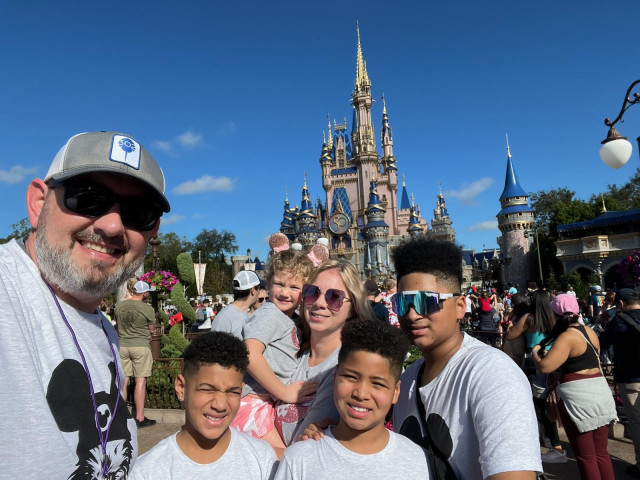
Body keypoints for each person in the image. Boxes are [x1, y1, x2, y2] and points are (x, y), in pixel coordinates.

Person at [0, 131, 170, 478]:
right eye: (88, 197)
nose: (112, 225)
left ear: (153, 231)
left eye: (138, 212)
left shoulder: (103, 328)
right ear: (38, 203)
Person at [390, 237, 541, 479]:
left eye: (427, 301)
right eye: (403, 302)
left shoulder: (491, 374)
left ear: (460, 306)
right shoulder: (407, 379)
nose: (412, 314)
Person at [275, 319, 429, 480]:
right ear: (334, 378)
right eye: (350, 377)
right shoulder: (298, 459)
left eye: (377, 384)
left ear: (396, 391)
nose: (361, 394)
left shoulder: (418, 462)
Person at [131, 332, 278, 479]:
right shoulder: (145, 472)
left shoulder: (262, 458)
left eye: (233, 392)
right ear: (181, 388)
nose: (220, 405)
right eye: (207, 389)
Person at [275, 259, 374, 446]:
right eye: (312, 292)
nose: (319, 303)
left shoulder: (341, 369)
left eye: (334, 297)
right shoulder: (289, 351)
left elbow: (300, 451)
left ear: (352, 308)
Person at [231, 250, 316, 451]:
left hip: (263, 405)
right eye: (279, 284)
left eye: (294, 287)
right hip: (251, 405)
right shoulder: (270, 314)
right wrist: (285, 392)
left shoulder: (289, 318)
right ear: (268, 284)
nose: (285, 293)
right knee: (282, 460)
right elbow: (250, 354)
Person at [532, 293, 617, 480]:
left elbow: (545, 366)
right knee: (601, 453)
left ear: (556, 315)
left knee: (586, 457)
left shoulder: (567, 337)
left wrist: (536, 353)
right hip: (600, 394)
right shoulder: (589, 332)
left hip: (579, 399)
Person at [507, 290, 566, 463]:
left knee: (536, 405)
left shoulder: (528, 318)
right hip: (555, 361)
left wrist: (511, 326)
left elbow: (511, 335)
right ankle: (554, 444)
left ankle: (553, 446)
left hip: (534, 362)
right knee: (549, 403)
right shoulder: (554, 318)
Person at [599, 288, 640, 478]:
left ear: (621, 304)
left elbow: (602, 343)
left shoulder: (619, 320)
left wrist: (602, 321)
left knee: (637, 423)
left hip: (631, 378)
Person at [115, 278, 158, 428]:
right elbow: (152, 330)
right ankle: (139, 418)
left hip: (123, 345)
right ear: (144, 293)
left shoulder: (119, 306)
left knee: (124, 381)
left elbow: (118, 326)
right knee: (140, 381)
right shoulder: (147, 308)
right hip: (140, 346)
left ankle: (120, 418)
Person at [211, 270, 261, 339]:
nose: (259, 293)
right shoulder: (224, 317)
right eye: (259, 288)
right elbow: (213, 347)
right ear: (253, 290)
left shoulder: (252, 314)